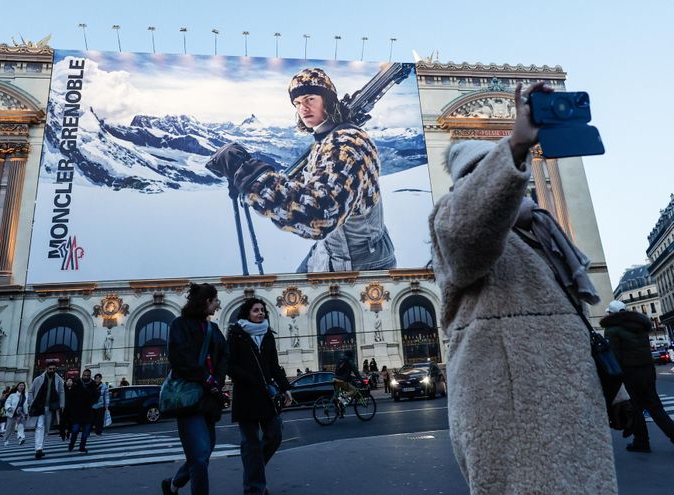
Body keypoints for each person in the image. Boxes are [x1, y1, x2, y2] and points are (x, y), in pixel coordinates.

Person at [429, 81, 616, 493]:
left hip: (569, 405)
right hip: (513, 411)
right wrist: (515, 144)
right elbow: (470, 231)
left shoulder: (540, 229)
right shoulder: (452, 220)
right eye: (487, 173)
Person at [207, 67, 395, 273]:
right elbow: (305, 186)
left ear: (328, 100)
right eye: (297, 103)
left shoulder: (347, 145)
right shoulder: (327, 139)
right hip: (332, 250)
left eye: (310, 99)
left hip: (359, 263)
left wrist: (252, 178)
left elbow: (319, 213)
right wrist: (251, 177)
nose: (303, 108)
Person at [161, 283, 229, 495]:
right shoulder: (179, 325)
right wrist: (206, 378)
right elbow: (179, 357)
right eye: (215, 301)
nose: (218, 305)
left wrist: (217, 381)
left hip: (210, 401)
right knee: (199, 457)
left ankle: (173, 484)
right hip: (188, 398)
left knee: (204, 453)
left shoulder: (215, 330)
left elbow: (225, 357)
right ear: (206, 301)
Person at [226, 298, 293, 495]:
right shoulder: (237, 334)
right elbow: (230, 366)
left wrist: (286, 388)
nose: (261, 313)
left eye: (262, 310)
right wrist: (251, 378)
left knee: (275, 435)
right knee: (251, 444)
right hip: (246, 396)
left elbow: (274, 365)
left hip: (266, 396)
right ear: (247, 313)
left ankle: (254, 473)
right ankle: (254, 488)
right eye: (256, 310)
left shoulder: (268, 334)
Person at [602, 300, 674, 452]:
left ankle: (641, 442)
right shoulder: (640, 326)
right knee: (655, 406)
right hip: (647, 370)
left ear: (612, 313)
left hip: (630, 373)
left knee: (635, 408)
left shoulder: (612, 329)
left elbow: (615, 357)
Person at [27, 362, 65, 459]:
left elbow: (61, 392)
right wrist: (31, 402)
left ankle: (40, 448)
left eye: (53, 369)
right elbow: (30, 391)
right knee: (40, 426)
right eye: (50, 369)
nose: (52, 370)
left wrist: (62, 405)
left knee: (45, 428)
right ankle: (38, 449)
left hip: (51, 407)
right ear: (46, 368)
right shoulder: (38, 379)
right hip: (39, 406)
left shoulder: (59, 380)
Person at [66, 370, 99, 453]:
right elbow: (71, 396)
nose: (86, 377)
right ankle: (71, 444)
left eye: (88, 376)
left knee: (86, 430)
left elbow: (96, 396)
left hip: (88, 410)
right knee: (75, 430)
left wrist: (92, 402)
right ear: (82, 375)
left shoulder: (93, 385)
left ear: (90, 376)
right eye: (84, 375)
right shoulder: (77, 383)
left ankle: (82, 446)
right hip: (77, 410)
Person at [333, 350, 360, 417]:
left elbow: (344, 372)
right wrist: (362, 380)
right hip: (342, 380)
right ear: (351, 355)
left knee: (336, 396)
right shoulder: (350, 361)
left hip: (335, 379)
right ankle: (342, 399)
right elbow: (356, 373)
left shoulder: (340, 360)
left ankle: (340, 411)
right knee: (354, 390)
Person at [2, 382, 27, 446]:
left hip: (20, 413)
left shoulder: (25, 395)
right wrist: (9, 408)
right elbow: (7, 403)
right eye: (20, 385)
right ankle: (6, 440)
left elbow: (26, 404)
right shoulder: (12, 395)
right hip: (12, 413)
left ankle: (21, 438)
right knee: (9, 427)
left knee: (20, 426)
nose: (21, 387)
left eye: (23, 385)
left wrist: (26, 412)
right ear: (17, 387)